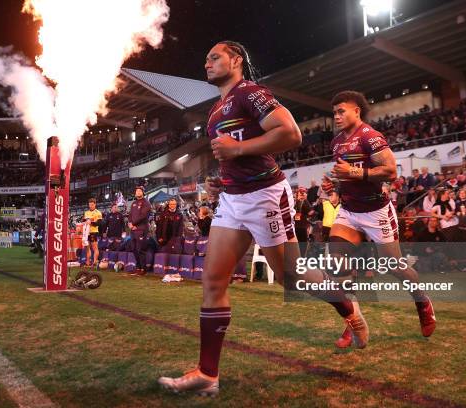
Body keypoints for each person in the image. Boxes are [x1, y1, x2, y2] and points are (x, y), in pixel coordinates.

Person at [158, 40, 327, 396]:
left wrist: (238, 149)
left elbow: (290, 133)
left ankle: (347, 304)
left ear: (236, 60)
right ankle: (208, 374)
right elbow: (233, 158)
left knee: (290, 277)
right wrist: (219, 181)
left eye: (214, 56)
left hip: (266, 194)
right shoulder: (217, 110)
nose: (207, 63)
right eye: (205, 58)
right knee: (212, 281)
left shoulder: (251, 92)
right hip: (234, 200)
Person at [321, 90, 436, 349]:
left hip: (376, 212)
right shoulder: (337, 142)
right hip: (349, 212)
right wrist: (334, 187)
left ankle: (422, 301)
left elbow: (390, 172)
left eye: (342, 111)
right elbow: (348, 178)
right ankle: (354, 321)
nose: (337, 116)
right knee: (336, 266)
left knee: (394, 266)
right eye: (334, 112)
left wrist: (351, 170)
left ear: (356, 111)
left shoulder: (371, 137)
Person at [128, 186, 151, 274]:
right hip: (133, 230)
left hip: (141, 229)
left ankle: (143, 269)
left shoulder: (146, 203)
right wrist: (130, 223)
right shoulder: (134, 203)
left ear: (143, 192)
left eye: (139, 191)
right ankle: (138, 267)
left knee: (141, 249)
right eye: (136, 191)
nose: (137, 192)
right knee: (133, 248)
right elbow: (130, 215)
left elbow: (143, 216)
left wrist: (133, 224)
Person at [83, 198, 102, 267]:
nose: (90, 206)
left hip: (94, 232)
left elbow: (99, 223)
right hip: (86, 233)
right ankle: (88, 262)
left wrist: (91, 222)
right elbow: (84, 221)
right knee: (87, 248)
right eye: (89, 205)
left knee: (95, 247)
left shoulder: (98, 213)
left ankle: (94, 262)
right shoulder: (86, 213)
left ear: (95, 204)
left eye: (92, 205)